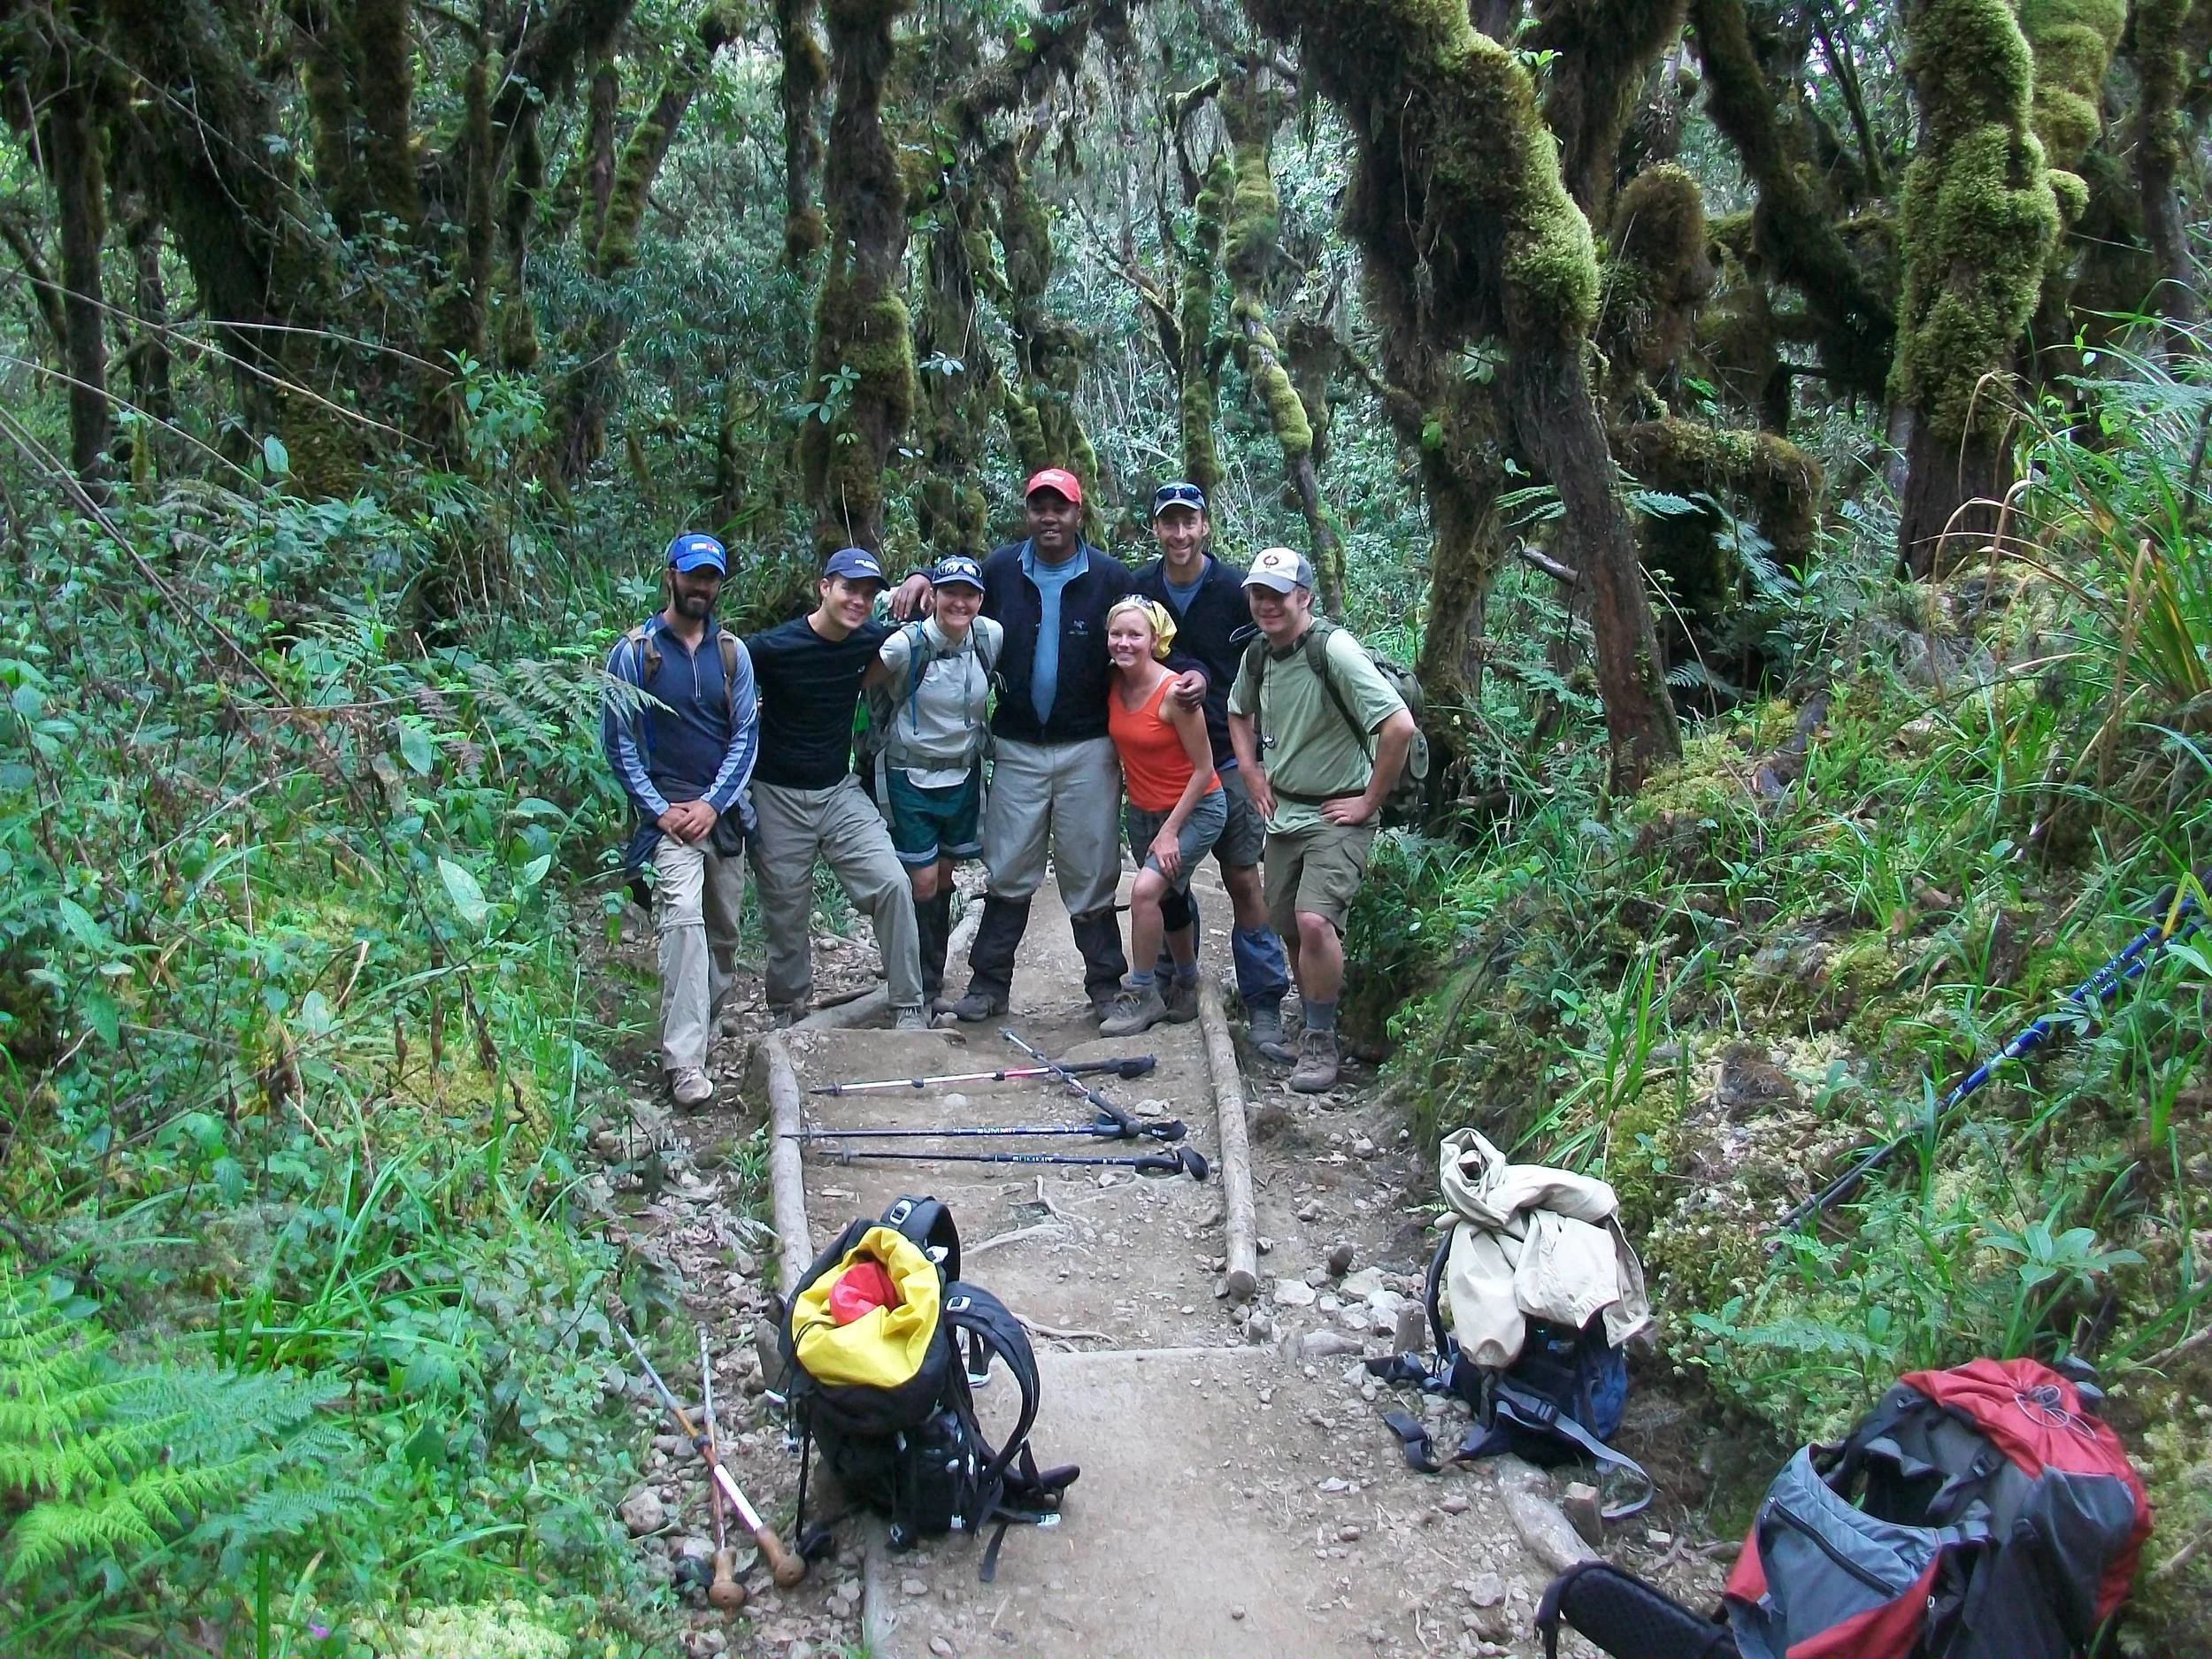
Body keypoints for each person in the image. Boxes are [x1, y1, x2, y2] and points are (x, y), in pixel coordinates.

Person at [890, 469, 1203, 1023]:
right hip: (1015, 743)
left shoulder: (1108, 576)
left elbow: (1158, 630)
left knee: (1091, 868)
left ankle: (1105, 985)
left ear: (1078, 514)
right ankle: (988, 984)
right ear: (1028, 512)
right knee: (1009, 866)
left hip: (1089, 746)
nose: (1050, 517)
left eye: (1060, 508)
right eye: (1040, 507)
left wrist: (1193, 672)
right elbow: (955, 593)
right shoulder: (1001, 570)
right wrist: (919, 575)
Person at [1227, 547, 1416, 1092]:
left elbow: (1397, 726)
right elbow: (1238, 712)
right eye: (1258, 595)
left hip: (1339, 809)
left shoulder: (1333, 650)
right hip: (1285, 806)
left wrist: (1367, 804)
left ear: (1303, 597)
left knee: (1314, 921)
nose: (1266, 605)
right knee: (1287, 925)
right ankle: (1313, 1014)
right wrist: (1251, 770)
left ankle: (1320, 1037)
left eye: (1277, 595)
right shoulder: (1259, 655)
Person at [1130, 481, 1294, 1057]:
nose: (1179, 534)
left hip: (1230, 752)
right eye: (1168, 523)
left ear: (1205, 526)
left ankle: (1265, 1000)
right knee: (1169, 879)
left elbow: (1267, 662)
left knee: (1244, 877)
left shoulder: (1233, 590)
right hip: (1165, 766)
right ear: (1156, 528)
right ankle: (1182, 979)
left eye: (1188, 522)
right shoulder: (1141, 591)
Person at [600, 532, 759, 1109]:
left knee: (723, 937)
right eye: (693, 575)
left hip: (721, 814)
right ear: (670, 575)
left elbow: (746, 736)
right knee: (684, 920)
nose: (702, 587)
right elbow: (617, 742)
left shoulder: (732, 654)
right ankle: (685, 1062)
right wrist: (661, 810)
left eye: (711, 577)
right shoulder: (636, 651)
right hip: (666, 816)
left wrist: (712, 804)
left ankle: (699, 1024)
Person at [744, 547, 926, 1030]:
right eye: (849, 589)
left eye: (868, 594)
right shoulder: (775, 647)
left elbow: (928, 626)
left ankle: (908, 1003)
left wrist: (922, 577)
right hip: (776, 793)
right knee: (786, 906)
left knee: (891, 882)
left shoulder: (866, 640)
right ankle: (789, 1011)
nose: (859, 601)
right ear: (824, 587)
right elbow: (720, 666)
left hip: (837, 790)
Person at [874, 554, 1002, 1016]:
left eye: (969, 594)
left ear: (981, 599)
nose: (960, 603)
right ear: (934, 595)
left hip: (963, 775)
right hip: (910, 776)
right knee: (921, 881)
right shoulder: (905, 646)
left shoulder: (990, 637)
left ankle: (930, 982)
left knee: (943, 877)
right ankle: (912, 987)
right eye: (950, 592)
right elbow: (860, 668)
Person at [1099, 597, 1226, 1037]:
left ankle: (1142, 991)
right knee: (1172, 894)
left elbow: (1204, 769)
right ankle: (1187, 979)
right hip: (1143, 812)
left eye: (1135, 634)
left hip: (1195, 809)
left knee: (1146, 892)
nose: (1124, 642)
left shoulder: (1175, 694)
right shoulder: (1114, 684)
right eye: (1117, 634)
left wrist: (1171, 831)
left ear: (1156, 639)